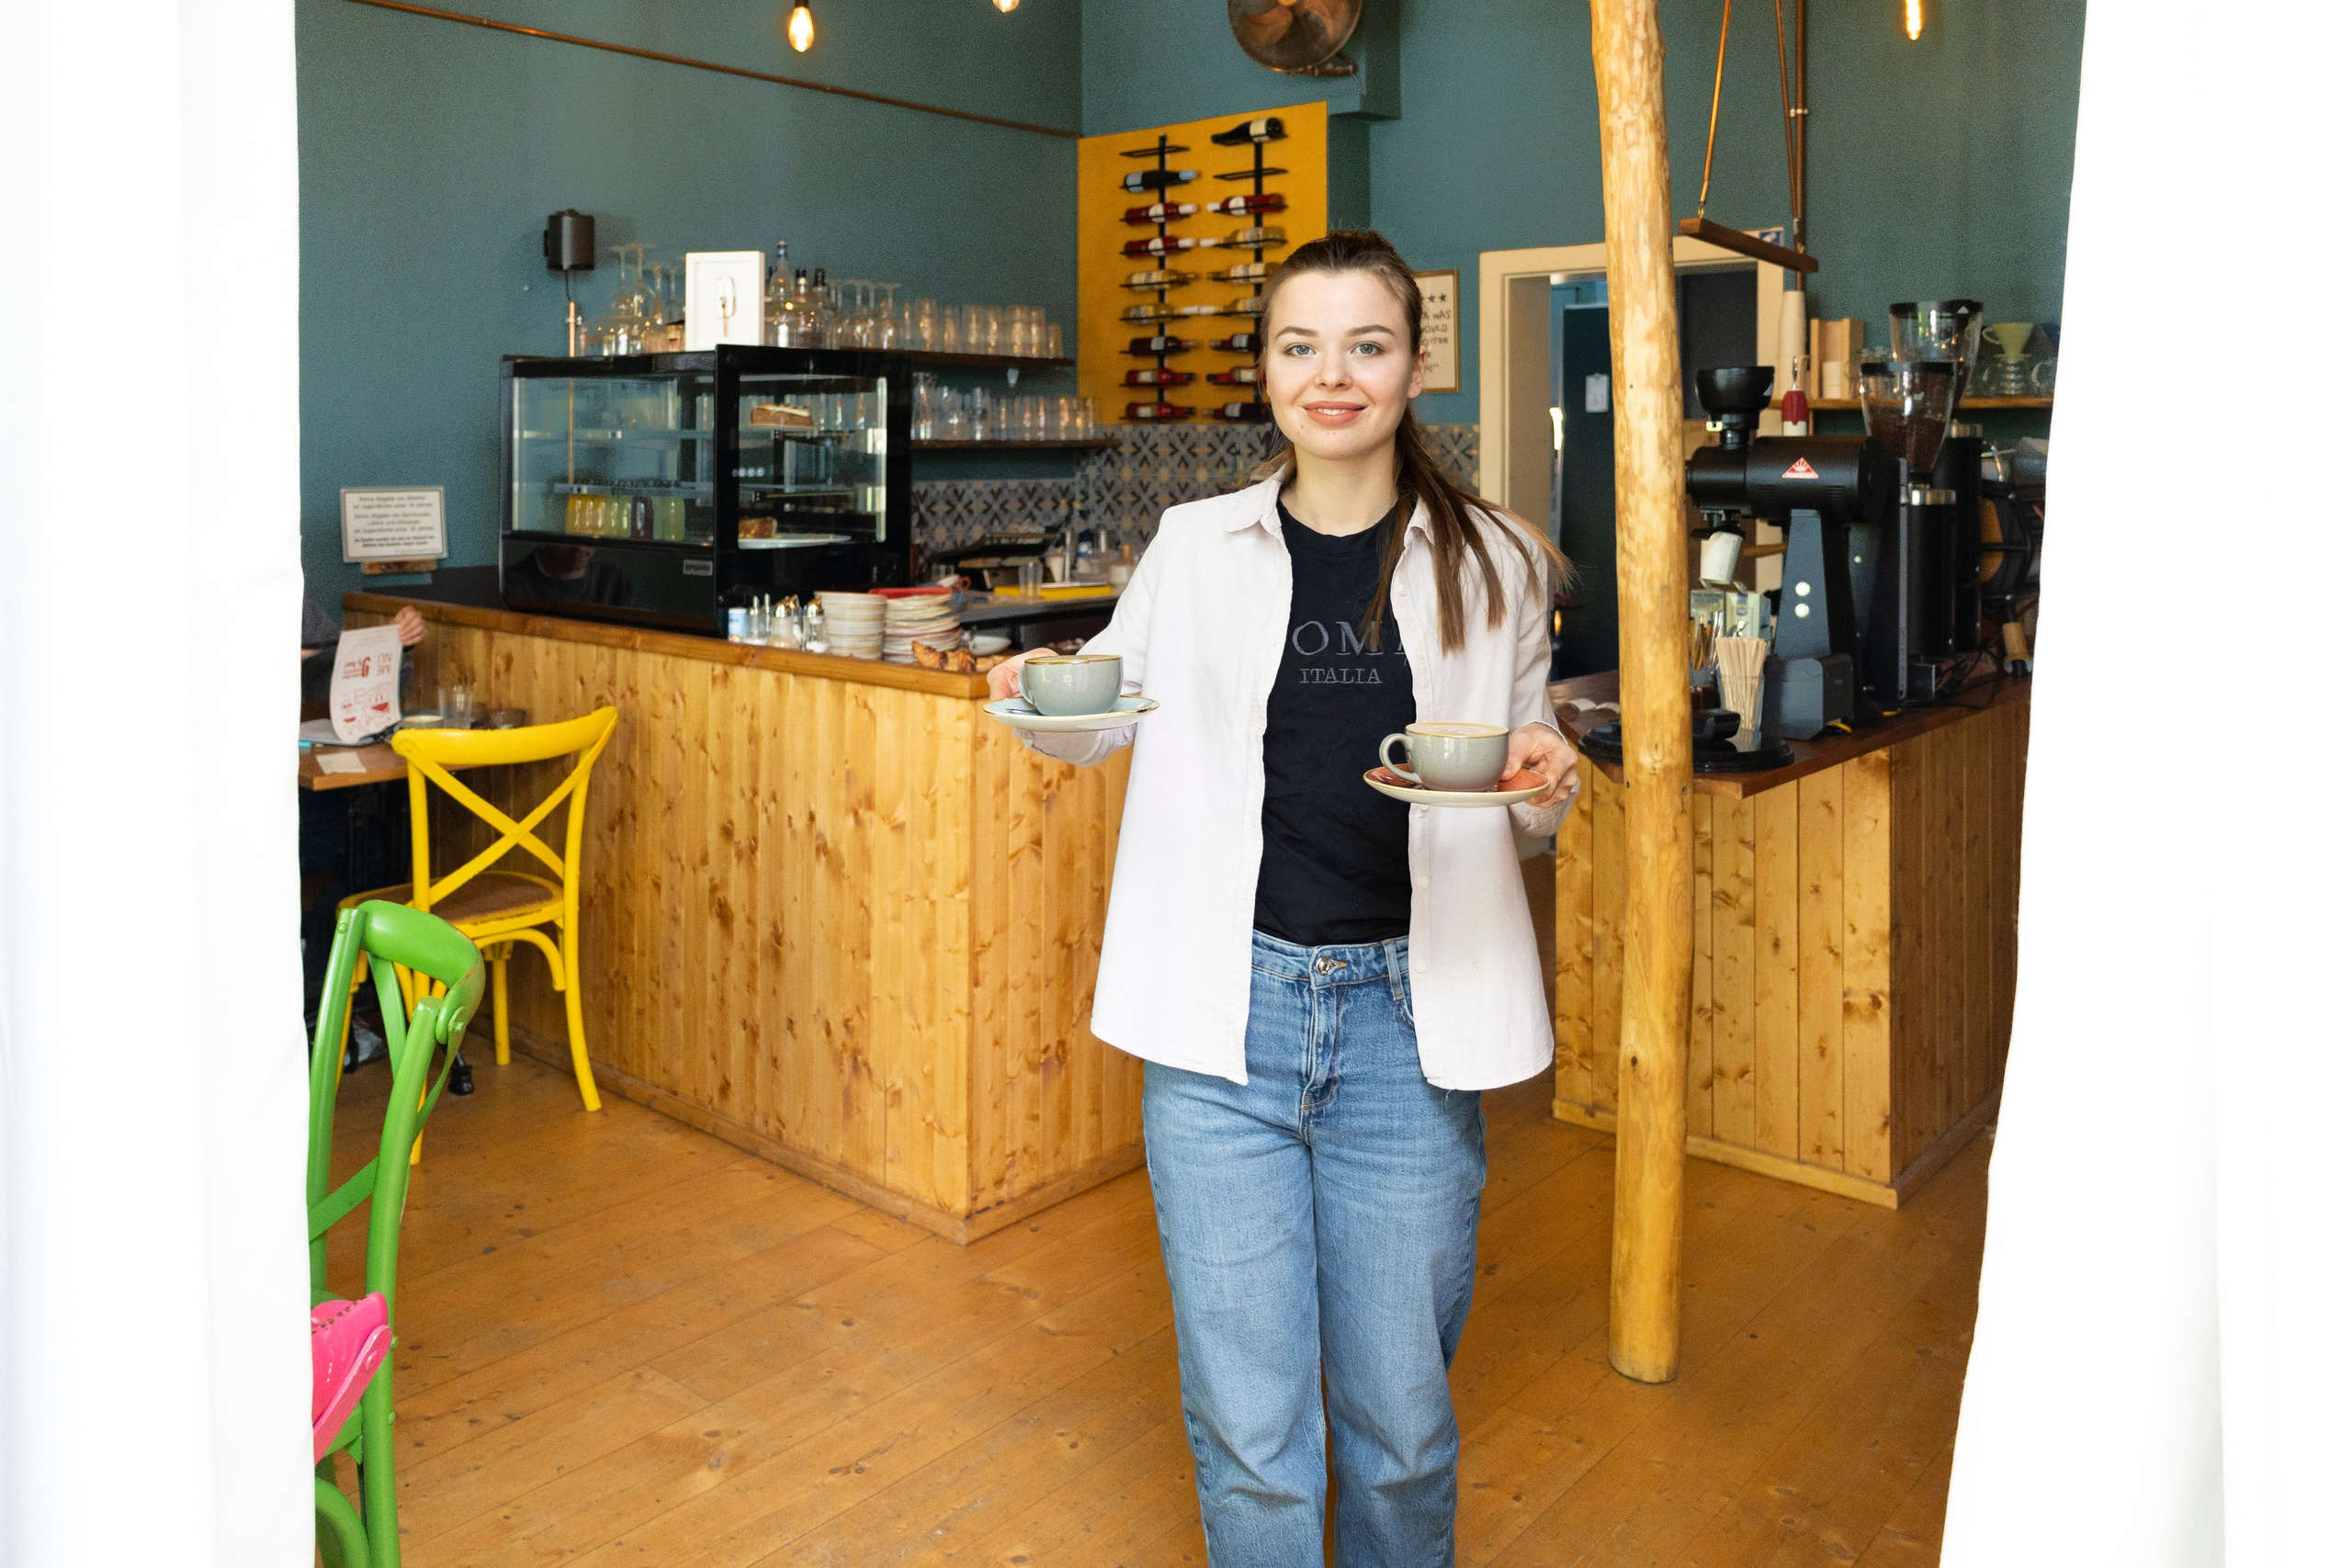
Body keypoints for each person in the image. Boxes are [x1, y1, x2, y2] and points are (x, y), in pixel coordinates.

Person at [989, 231, 1579, 1567]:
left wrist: (1550, 782)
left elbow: (1520, 798)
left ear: (1415, 367)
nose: (1333, 377)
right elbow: (1099, 717)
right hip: (1224, 1020)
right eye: (1299, 346)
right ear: (1265, 371)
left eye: (1366, 346)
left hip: (1406, 1031)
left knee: (1404, 1431)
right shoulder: (1194, 546)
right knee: (1252, 1440)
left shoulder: (1496, 561)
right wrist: (1035, 692)